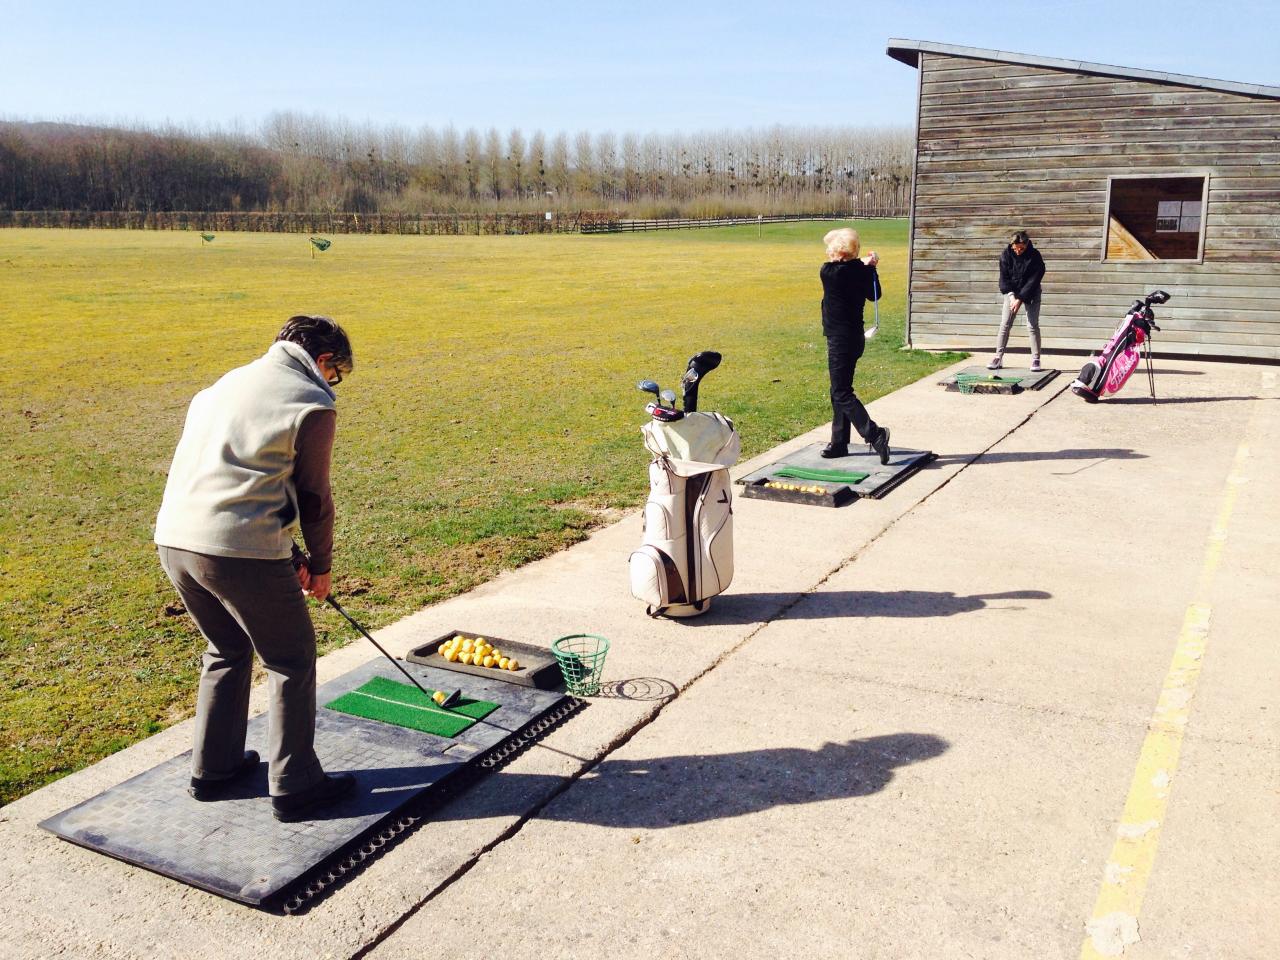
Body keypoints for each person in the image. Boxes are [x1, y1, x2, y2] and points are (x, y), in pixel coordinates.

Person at [154, 315, 357, 822]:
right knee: (291, 658)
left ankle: (215, 768)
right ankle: (296, 785)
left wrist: (287, 554)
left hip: (176, 541)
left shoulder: (222, 385)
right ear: (324, 361)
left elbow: (238, 477)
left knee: (226, 646)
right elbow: (314, 498)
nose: (334, 386)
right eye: (337, 375)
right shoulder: (312, 403)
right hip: (237, 549)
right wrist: (323, 567)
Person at [819, 227, 891, 463]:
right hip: (854, 338)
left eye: (831, 250)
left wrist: (865, 264)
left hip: (840, 340)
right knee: (838, 389)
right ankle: (839, 442)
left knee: (841, 392)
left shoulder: (829, 272)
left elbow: (842, 270)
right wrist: (871, 267)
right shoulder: (861, 271)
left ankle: (874, 433)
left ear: (838, 253)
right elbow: (875, 295)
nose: (828, 254)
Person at [989, 230, 1046, 372]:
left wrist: (1021, 298)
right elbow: (1004, 278)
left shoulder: (1035, 256)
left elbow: (1034, 280)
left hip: (1031, 292)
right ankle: (998, 357)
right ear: (1011, 245)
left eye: (1021, 248)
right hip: (1012, 293)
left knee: (1032, 325)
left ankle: (1036, 359)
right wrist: (1012, 296)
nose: (1018, 251)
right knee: (1005, 324)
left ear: (1027, 245)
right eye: (1016, 248)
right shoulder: (1006, 255)